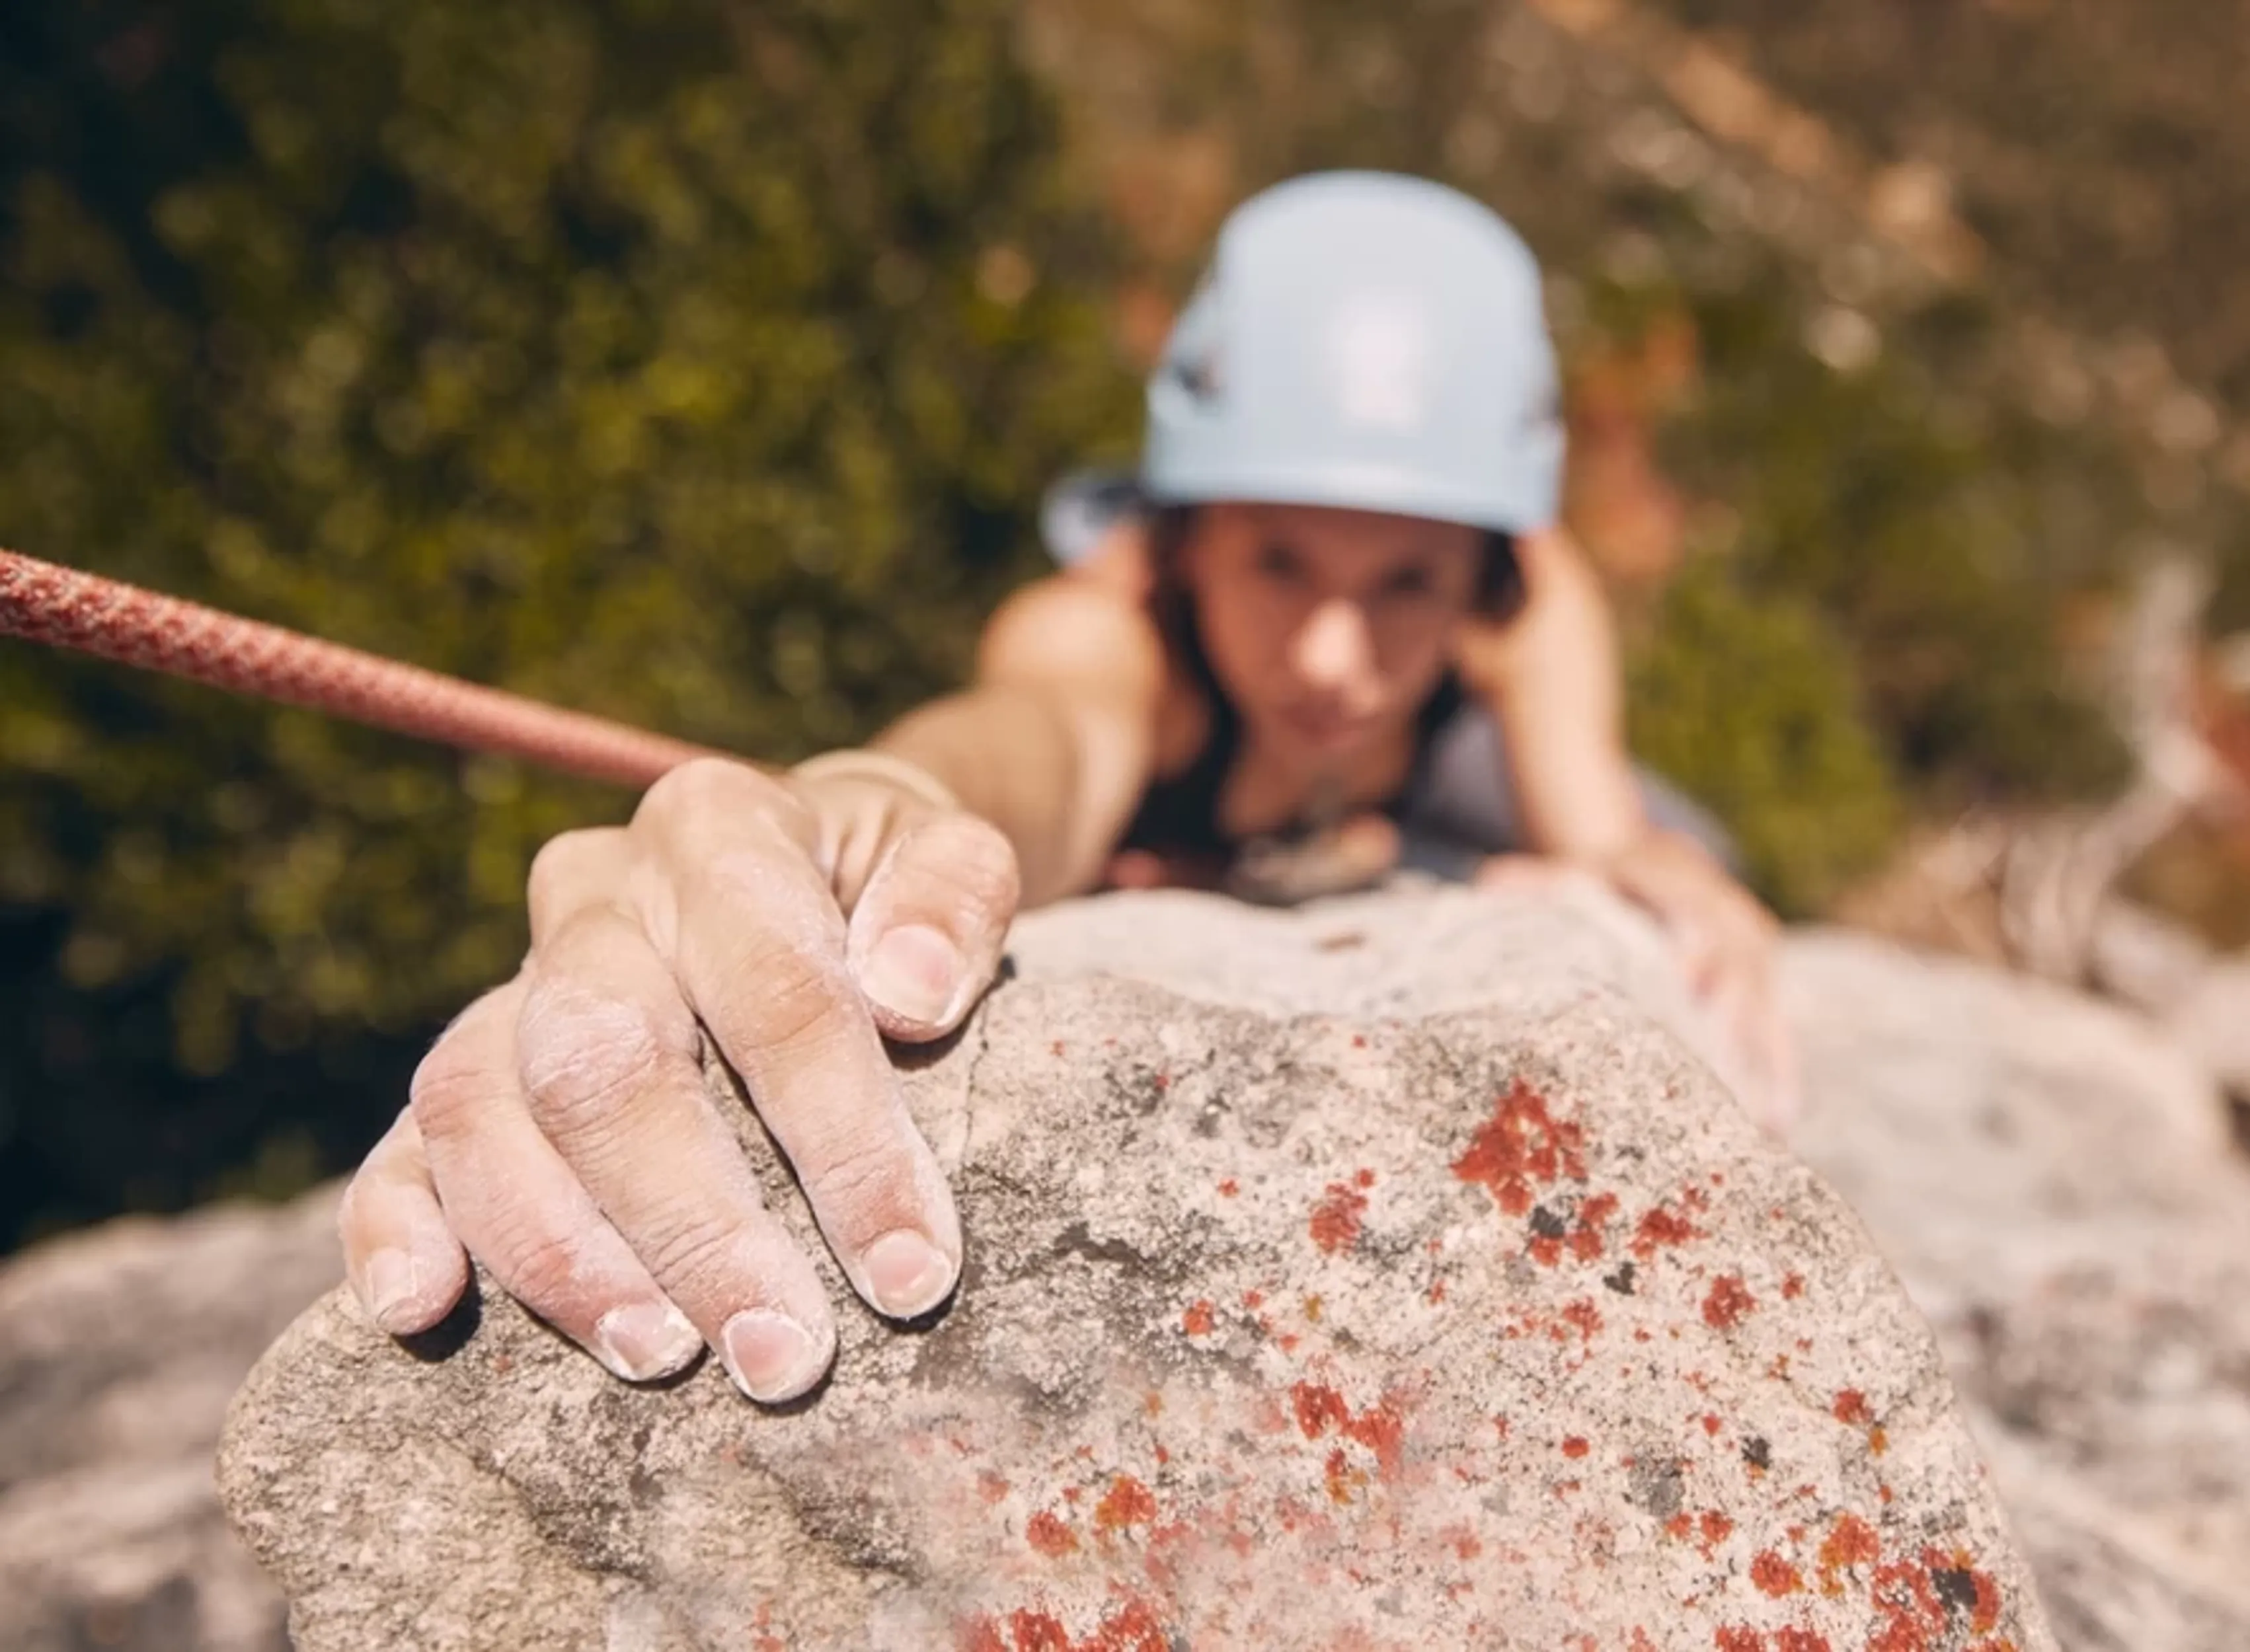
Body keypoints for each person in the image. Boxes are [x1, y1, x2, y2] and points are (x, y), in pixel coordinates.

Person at [336, 171, 1795, 1407]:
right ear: (1185, 538)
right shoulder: (1110, 638)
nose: (1337, 655)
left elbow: (1599, 826)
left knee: (1689, 838)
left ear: (1483, 577)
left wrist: (1640, 865)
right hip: (1234, 802)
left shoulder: (1528, 610)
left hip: (1427, 803)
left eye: (1409, 581)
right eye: (1281, 560)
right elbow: (1023, 740)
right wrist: (854, 812)